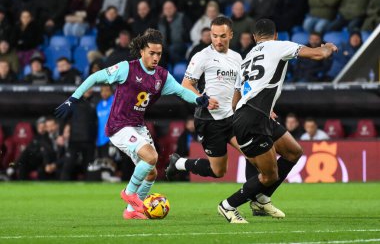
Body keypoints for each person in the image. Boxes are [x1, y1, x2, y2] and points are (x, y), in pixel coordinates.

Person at [54, 29, 218, 220]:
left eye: (159, 54)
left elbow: (182, 92)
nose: (156, 57)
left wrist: (199, 100)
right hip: (119, 125)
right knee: (151, 156)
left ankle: (131, 211)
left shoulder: (162, 77)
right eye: (152, 53)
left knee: (151, 172)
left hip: (137, 126)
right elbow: (94, 77)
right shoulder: (127, 68)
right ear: (142, 51)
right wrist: (72, 99)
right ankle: (129, 193)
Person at [217, 19, 337, 223]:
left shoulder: (247, 58)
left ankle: (262, 199)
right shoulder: (279, 46)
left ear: (255, 38)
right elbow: (319, 54)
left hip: (252, 114)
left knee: (293, 152)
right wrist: (327, 47)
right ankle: (228, 205)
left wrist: (257, 110)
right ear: (276, 35)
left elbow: (236, 98)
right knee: (269, 175)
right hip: (253, 118)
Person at [166, 16, 284, 218]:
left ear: (231, 34)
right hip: (209, 120)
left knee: (254, 157)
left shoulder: (238, 58)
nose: (218, 40)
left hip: (233, 118)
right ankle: (179, 164)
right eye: (214, 36)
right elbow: (186, 85)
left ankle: (256, 202)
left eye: (222, 36)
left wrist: (265, 108)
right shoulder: (202, 56)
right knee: (218, 171)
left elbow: (246, 87)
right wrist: (203, 99)